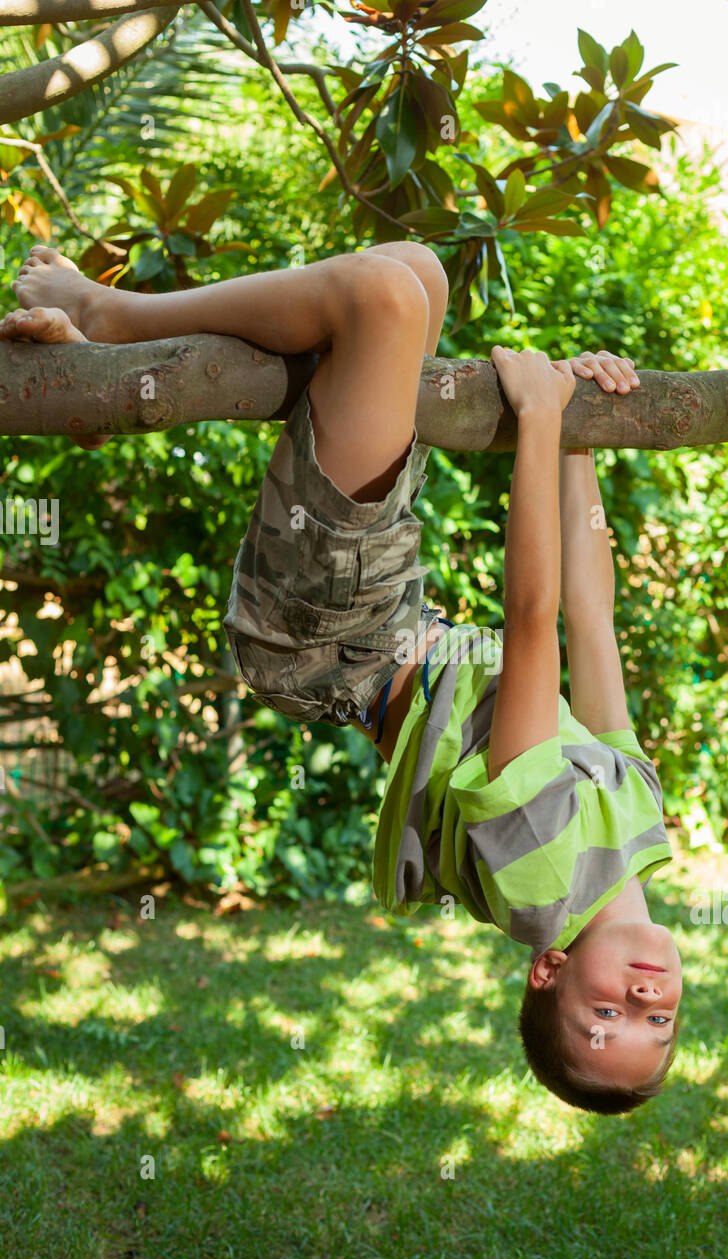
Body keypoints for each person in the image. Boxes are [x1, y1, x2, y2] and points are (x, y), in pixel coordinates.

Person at [2, 242, 681, 1114]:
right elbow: (591, 620)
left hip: (328, 641)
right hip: (388, 611)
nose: (641, 1002)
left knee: (381, 303)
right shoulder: (638, 827)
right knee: (419, 277)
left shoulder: (542, 885)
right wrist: (582, 428)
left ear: (550, 971)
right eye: (655, 1026)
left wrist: (543, 420)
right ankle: (107, 388)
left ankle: (111, 323)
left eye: (603, 1018)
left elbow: (531, 626)